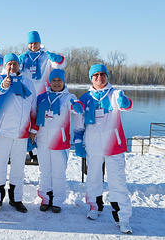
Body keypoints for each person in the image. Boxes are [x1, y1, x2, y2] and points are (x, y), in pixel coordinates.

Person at [73, 64, 133, 234]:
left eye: (102, 74)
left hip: (114, 146)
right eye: (95, 75)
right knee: (93, 178)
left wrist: (125, 101)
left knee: (117, 182)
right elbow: (78, 124)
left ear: (107, 76)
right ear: (91, 78)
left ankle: (122, 218)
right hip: (93, 147)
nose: (99, 78)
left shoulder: (115, 94)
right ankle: (94, 206)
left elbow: (127, 106)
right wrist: (78, 142)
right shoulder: (84, 98)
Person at [0, 53, 37, 214]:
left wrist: (33, 129)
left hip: (22, 133)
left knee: (18, 168)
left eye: (15, 64)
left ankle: (16, 199)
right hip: (2, 132)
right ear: (5, 65)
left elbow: (34, 106)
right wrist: (4, 84)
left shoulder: (27, 82)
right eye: (9, 63)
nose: (12, 66)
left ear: (19, 65)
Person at [35, 69, 84, 213]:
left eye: (59, 81)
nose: (56, 83)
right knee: (44, 171)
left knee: (58, 172)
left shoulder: (70, 97)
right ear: (50, 82)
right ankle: (45, 198)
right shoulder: (41, 97)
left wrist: (78, 107)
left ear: (63, 82)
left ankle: (57, 200)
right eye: (54, 81)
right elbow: (34, 116)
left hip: (60, 142)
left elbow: (77, 111)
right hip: (42, 140)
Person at [19, 30, 67, 164]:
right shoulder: (23, 57)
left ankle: (36, 151)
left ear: (40, 43)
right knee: (26, 120)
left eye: (36, 43)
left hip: (42, 95)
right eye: (31, 43)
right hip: (26, 94)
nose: (34, 45)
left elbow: (59, 65)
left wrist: (57, 59)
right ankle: (27, 149)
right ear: (28, 44)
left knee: (39, 122)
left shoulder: (46, 56)